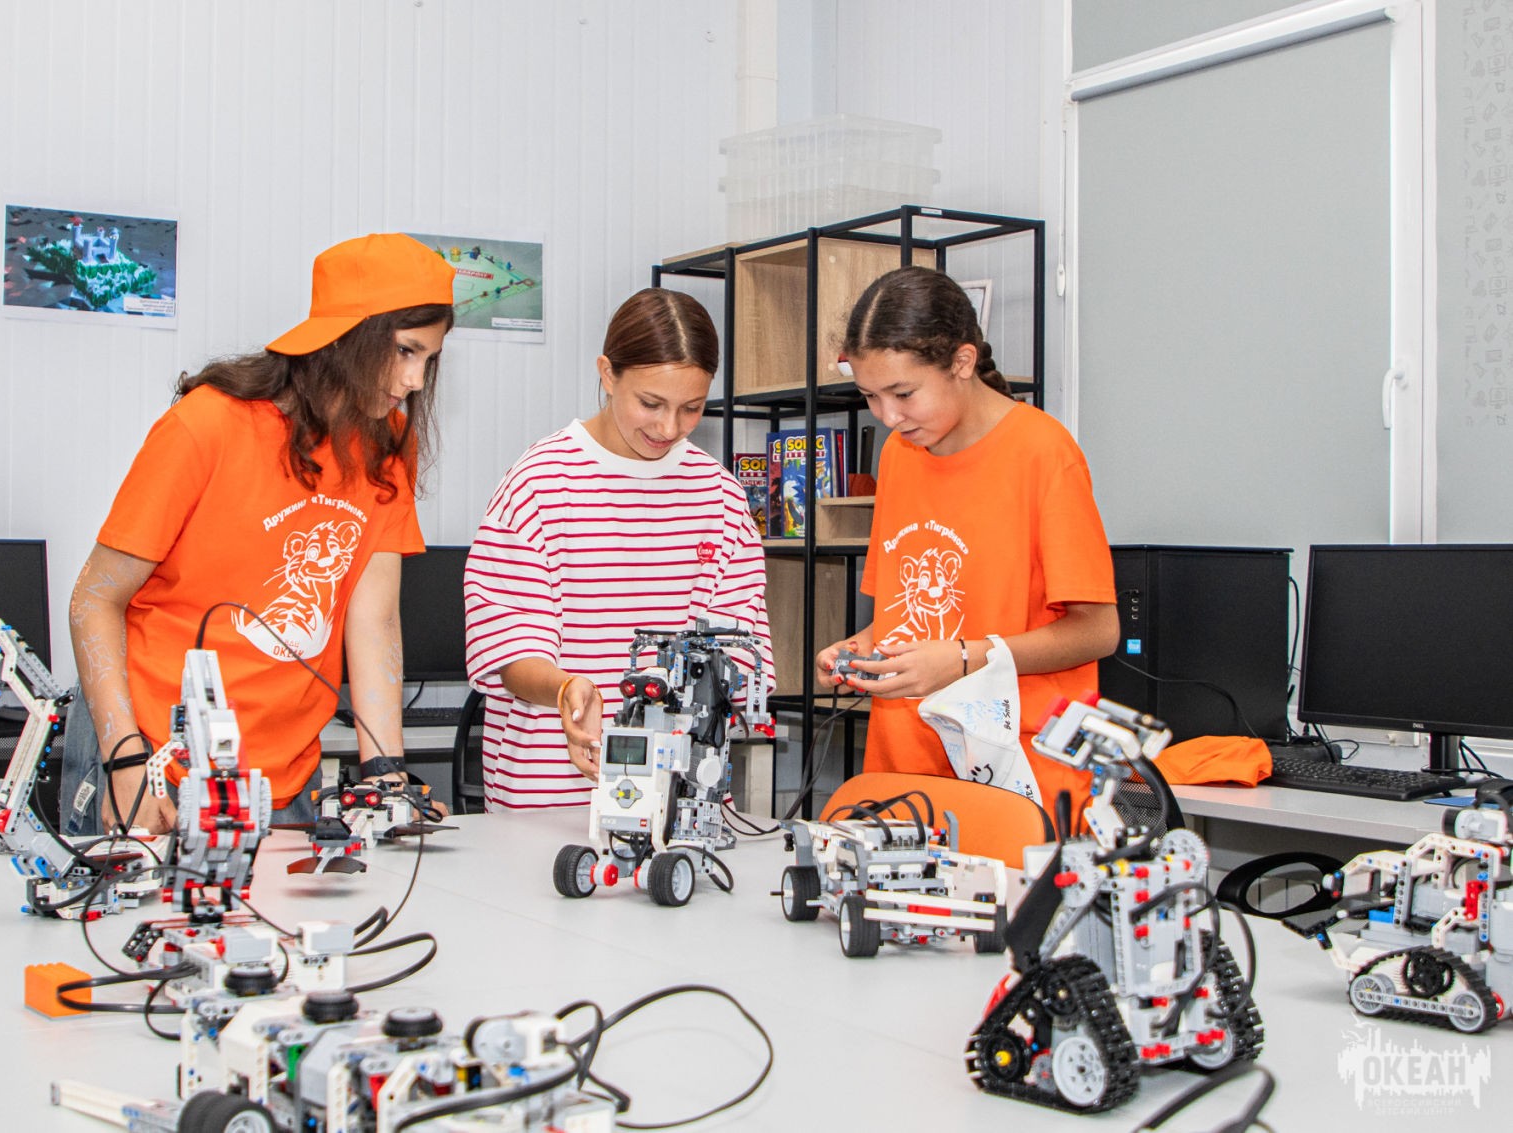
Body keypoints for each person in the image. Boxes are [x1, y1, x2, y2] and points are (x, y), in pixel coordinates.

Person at [61, 233, 455, 835]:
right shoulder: (208, 424)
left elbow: (373, 621)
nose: (416, 379)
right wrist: (124, 759)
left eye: (429, 359)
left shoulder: (388, 443)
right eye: (405, 351)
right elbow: (93, 599)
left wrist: (386, 776)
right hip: (153, 757)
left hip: (285, 772)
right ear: (347, 334)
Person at [815, 266, 1119, 819]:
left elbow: (1098, 631)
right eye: (870, 396)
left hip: (1017, 771)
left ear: (962, 361)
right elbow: (902, 614)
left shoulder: (1044, 454)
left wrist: (962, 660)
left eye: (903, 393)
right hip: (906, 764)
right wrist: (859, 650)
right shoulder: (900, 454)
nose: (888, 417)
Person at [464, 288, 773, 810]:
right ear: (608, 374)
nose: (669, 428)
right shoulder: (540, 484)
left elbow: (741, 646)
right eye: (650, 404)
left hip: (679, 802)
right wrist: (565, 688)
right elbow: (510, 650)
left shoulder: (719, 496)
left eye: (691, 408)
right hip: (549, 797)